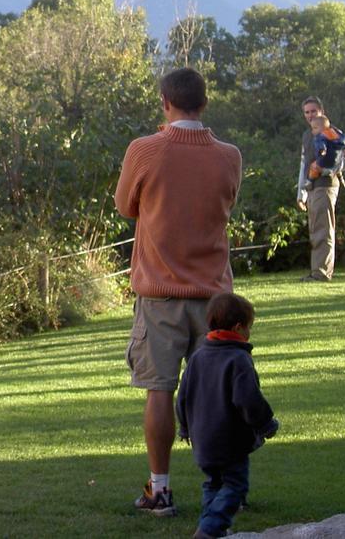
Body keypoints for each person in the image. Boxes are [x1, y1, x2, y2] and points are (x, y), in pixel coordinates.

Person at [115, 67, 242, 518]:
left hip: (161, 294)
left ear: (165, 101)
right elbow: (226, 201)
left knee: (158, 390)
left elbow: (126, 206)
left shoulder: (145, 150)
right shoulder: (229, 155)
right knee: (220, 392)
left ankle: (161, 489)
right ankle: (229, 487)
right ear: (204, 103)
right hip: (216, 295)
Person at [176, 292, 279, 539]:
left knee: (213, 483)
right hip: (229, 440)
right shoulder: (238, 359)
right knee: (235, 485)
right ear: (238, 327)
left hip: (202, 440)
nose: (249, 333)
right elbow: (248, 400)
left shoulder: (198, 357)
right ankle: (211, 528)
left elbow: (183, 395)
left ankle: (212, 525)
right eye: (249, 327)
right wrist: (266, 424)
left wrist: (184, 428)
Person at [297, 98, 345, 282]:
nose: (310, 115)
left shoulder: (333, 133)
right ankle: (317, 271)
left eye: (313, 111)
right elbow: (304, 165)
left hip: (326, 185)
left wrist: (327, 170)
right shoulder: (307, 135)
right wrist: (301, 193)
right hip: (311, 186)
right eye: (307, 112)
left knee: (323, 229)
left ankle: (321, 273)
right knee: (315, 229)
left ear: (321, 110)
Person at [307, 115, 345, 180]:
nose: (312, 131)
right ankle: (339, 176)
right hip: (337, 161)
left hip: (325, 161)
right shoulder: (335, 133)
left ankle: (310, 180)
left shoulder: (320, 136)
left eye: (315, 128)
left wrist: (322, 150)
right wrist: (344, 147)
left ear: (323, 128)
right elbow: (343, 140)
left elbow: (321, 144)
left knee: (313, 167)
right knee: (336, 165)